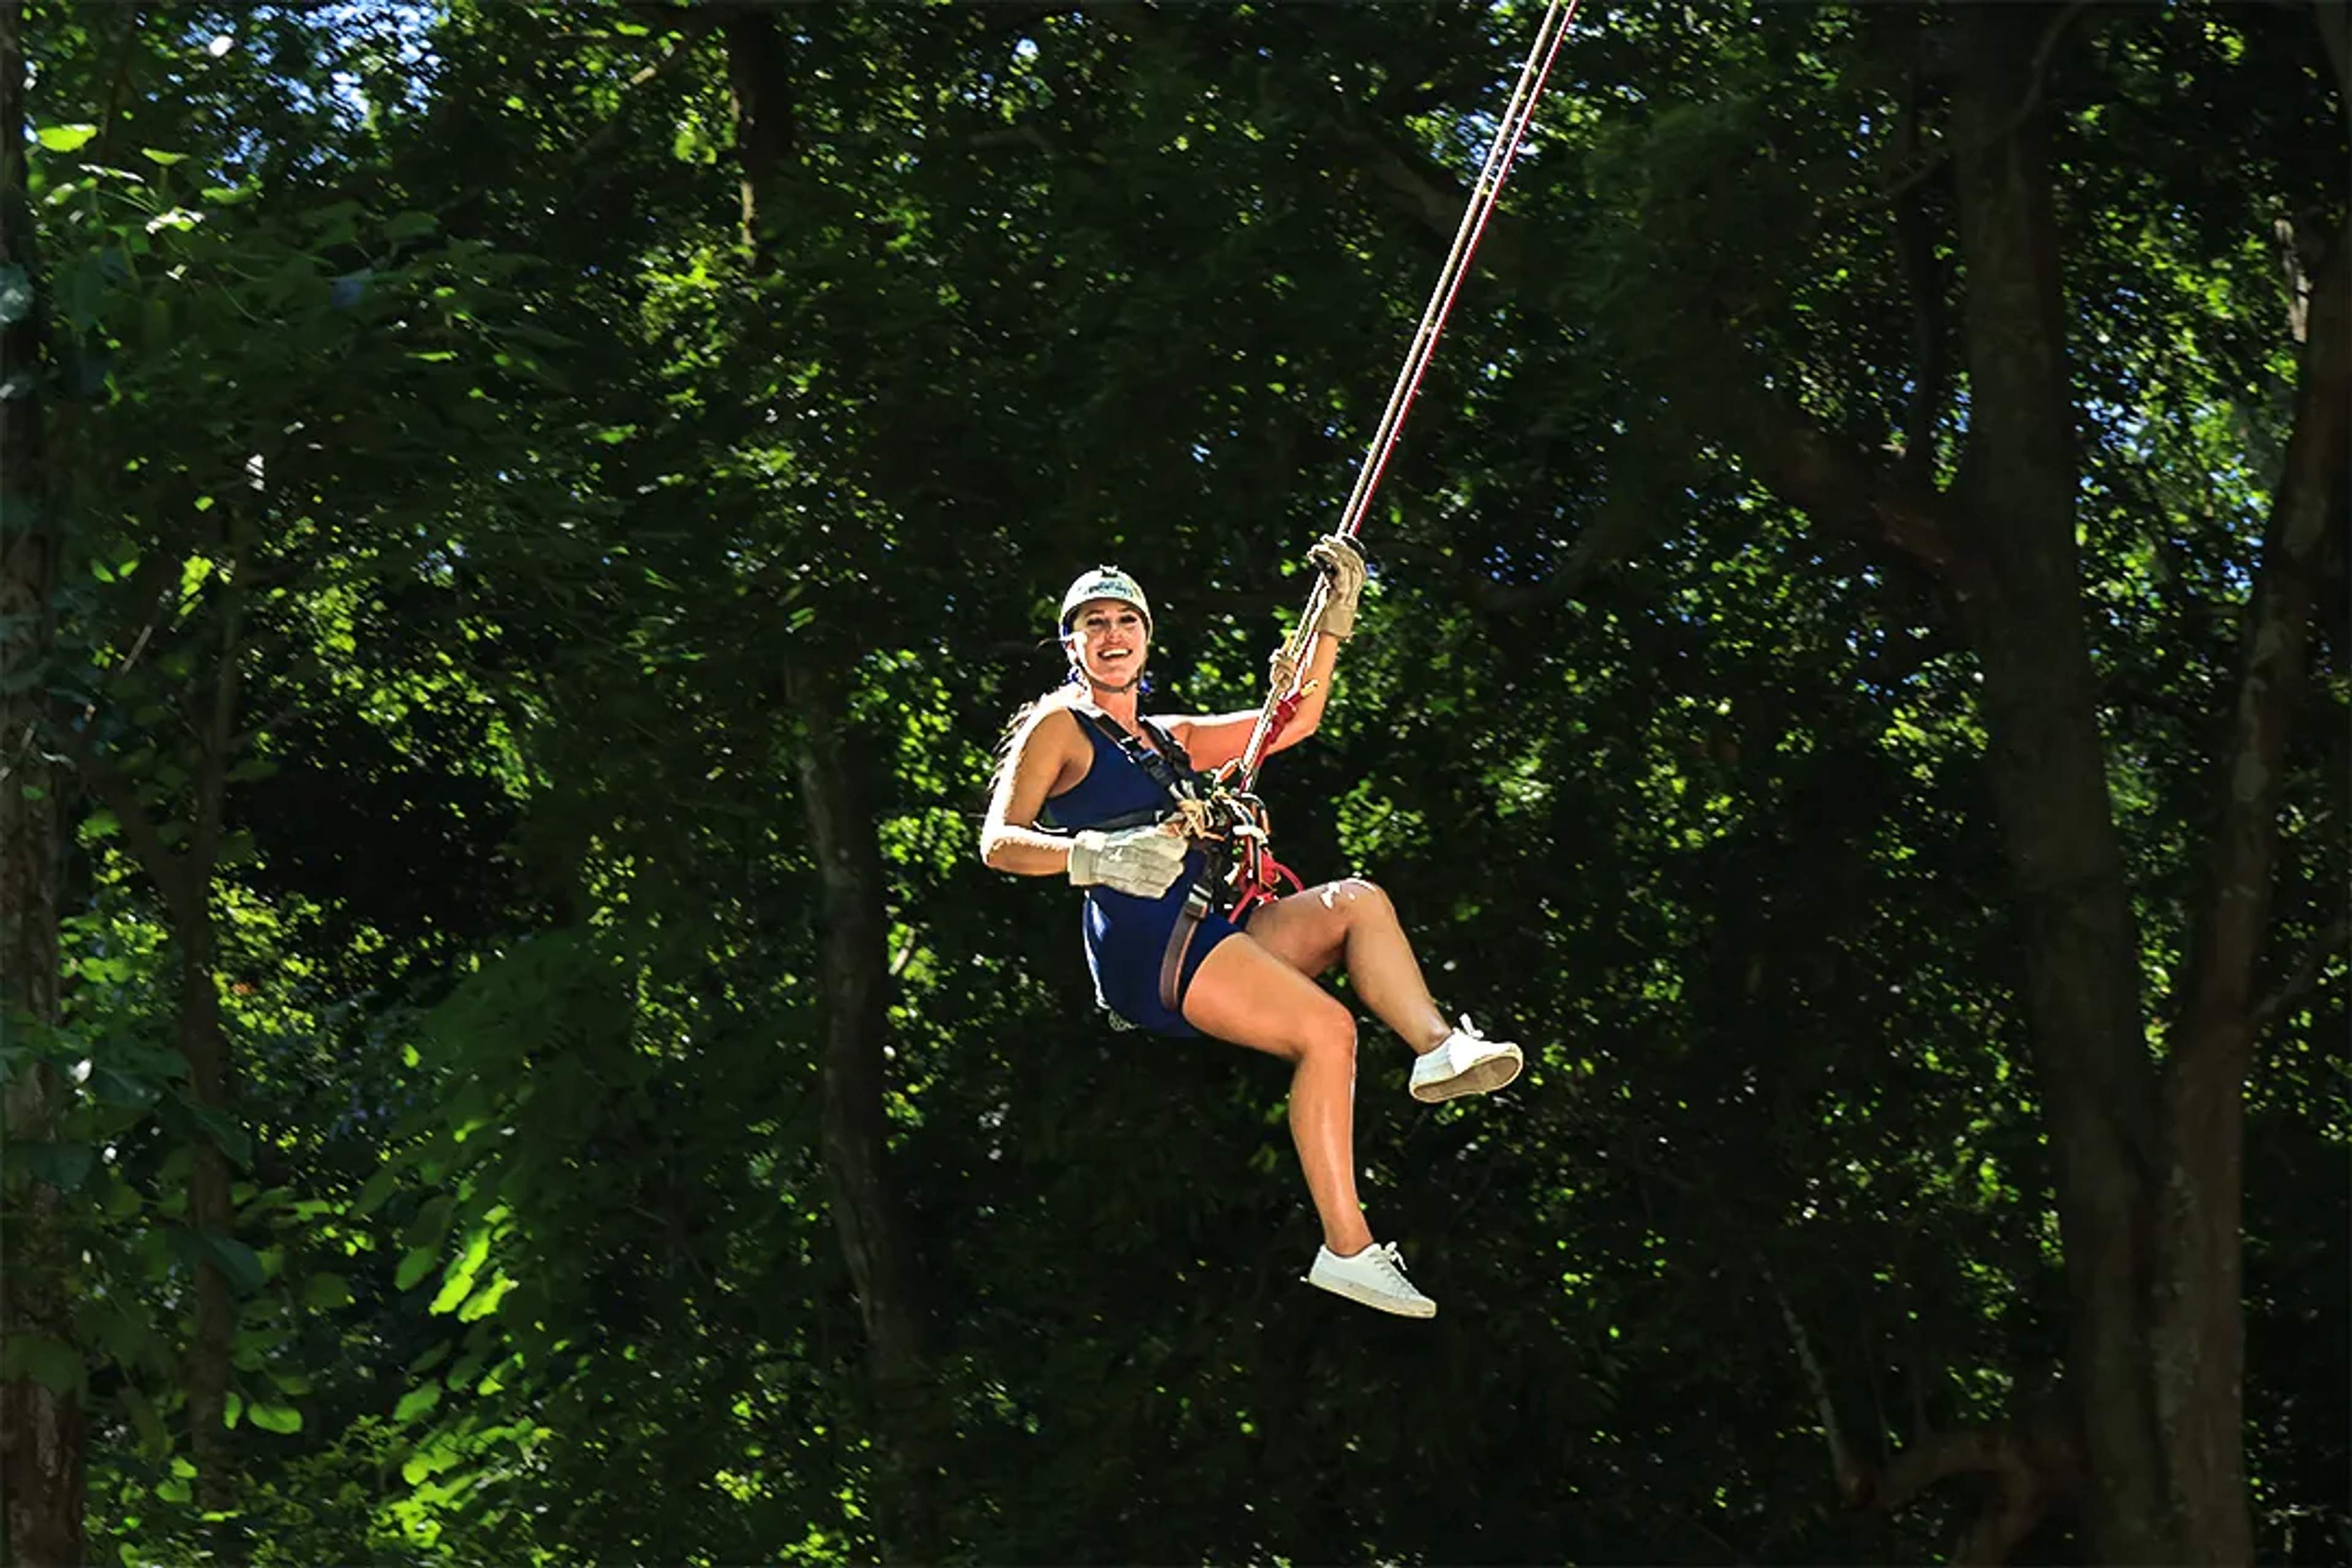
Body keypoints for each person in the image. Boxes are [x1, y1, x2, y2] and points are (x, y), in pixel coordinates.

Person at [979, 541, 1523, 1318]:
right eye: (1093, 623)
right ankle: (1347, 1247)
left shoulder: (1168, 739)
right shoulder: (1060, 726)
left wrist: (1332, 621)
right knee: (1328, 1032)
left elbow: (1290, 722)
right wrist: (1092, 855)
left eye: (1126, 619)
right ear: (1071, 644)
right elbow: (998, 842)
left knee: (1358, 903)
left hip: (1202, 921)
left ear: (1146, 635)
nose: (1111, 634)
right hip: (1146, 941)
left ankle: (1437, 1048)